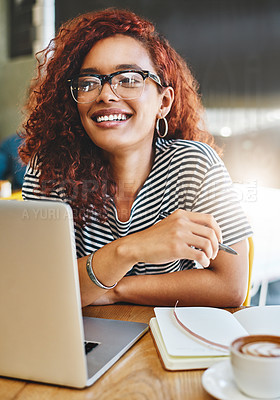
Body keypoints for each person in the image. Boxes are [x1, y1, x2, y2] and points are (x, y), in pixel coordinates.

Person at [20, 8, 252, 308]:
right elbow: (38, 289)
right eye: (89, 82)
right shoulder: (50, 170)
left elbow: (231, 284)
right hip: (80, 342)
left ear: (163, 102)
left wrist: (113, 290)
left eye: (129, 79)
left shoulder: (195, 166)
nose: (105, 94)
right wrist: (129, 250)